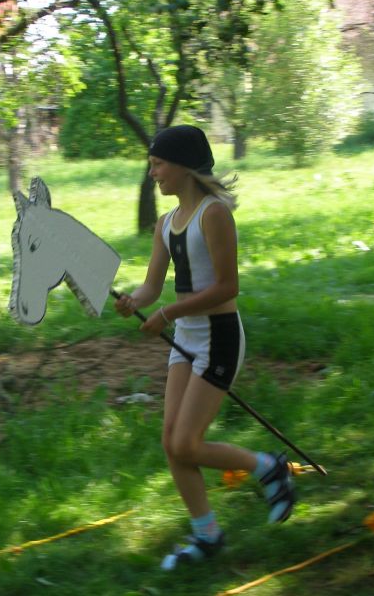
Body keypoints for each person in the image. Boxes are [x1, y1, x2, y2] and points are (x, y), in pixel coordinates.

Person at [114, 125, 296, 571]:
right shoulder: (166, 223)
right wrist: (134, 301)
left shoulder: (214, 214)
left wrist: (168, 314)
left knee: (187, 443)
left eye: (158, 164)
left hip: (219, 336)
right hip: (186, 338)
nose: (153, 173)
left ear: (183, 167)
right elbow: (153, 286)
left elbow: (227, 287)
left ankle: (268, 467)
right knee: (172, 444)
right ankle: (207, 536)